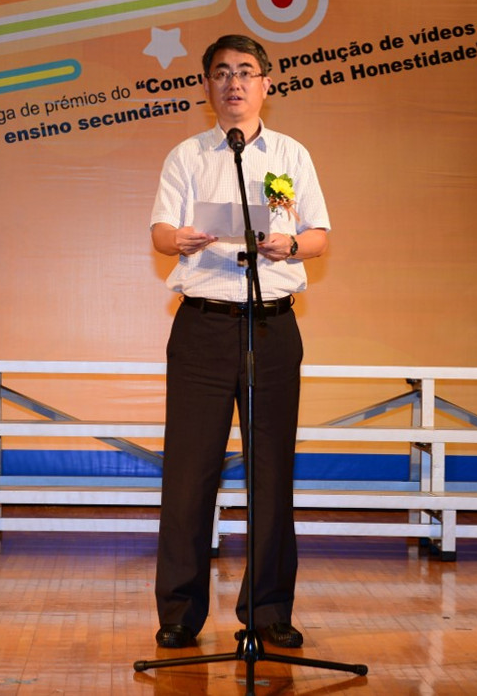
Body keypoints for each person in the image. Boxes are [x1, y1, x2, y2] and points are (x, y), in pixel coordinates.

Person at [149, 34, 331, 651]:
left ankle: (269, 609)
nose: (234, 82)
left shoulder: (291, 155)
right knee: (189, 473)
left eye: (246, 71)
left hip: (271, 324)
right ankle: (180, 612)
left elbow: (318, 234)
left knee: (271, 471)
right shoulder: (188, 155)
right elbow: (160, 230)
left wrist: (290, 244)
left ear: (266, 84)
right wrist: (179, 239)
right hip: (202, 327)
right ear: (207, 85)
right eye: (222, 72)